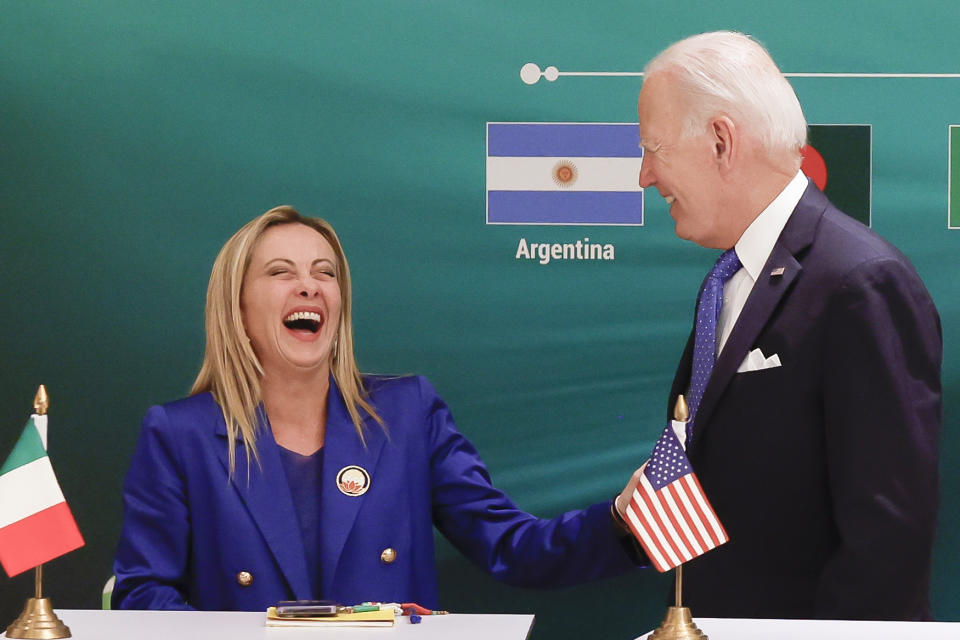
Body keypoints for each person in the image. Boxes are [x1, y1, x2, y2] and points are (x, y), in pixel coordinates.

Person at [112, 205, 644, 611]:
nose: (309, 286)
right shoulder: (178, 434)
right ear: (237, 305)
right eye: (280, 272)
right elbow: (142, 592)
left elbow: (511, 544)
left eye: (326, 273)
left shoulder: (408, 413)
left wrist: (621, 519)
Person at [627, 31, 941, 620]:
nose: (644, 175)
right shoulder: (729, 278)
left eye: (653, 149)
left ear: (720, 141)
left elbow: (887, 538)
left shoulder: (860, 282)